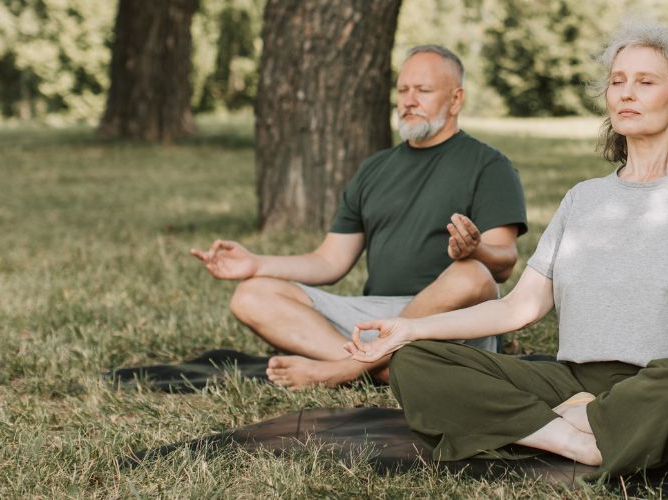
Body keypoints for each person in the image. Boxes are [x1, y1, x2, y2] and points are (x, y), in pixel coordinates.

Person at [347, 22, 668, 477]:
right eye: (617, 82)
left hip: (658, 383)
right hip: (573, 382)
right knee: (416, 360)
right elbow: (519, 307)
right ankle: (574, 439)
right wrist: (410, 329)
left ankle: (553, 424)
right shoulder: (582, 199)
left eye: (645, 82)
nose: (626, 93)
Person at [189, 45, 528, 390]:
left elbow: (501, 265)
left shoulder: (489, 166)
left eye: (423, 91)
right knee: (251, 295)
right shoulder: (375, 168)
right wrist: (256, 264)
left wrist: (476, 250)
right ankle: (381, 370)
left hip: (449, 320)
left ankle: (340, 371)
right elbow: (329, 261)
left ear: (456, 100)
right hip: (377, 318)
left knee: (472, 274)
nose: (409, 101)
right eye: (402, 90)